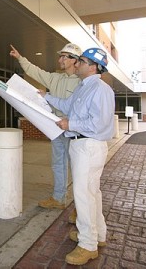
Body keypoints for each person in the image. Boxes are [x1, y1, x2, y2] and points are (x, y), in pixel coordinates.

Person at [40, 48, 115, 265]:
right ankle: (97, 235)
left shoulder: (101, 89)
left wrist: (70, 124)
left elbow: (99, 123)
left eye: (81, 61)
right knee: (92, 193)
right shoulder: (83, 87)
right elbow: (66, 105)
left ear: (93, 66)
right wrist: (46, 96)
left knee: (83, 195)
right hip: (81, 145)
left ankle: (87, 245)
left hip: (89, 146)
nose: (77, 64)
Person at [10, 43, 81, 211]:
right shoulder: (55, 78)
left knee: (78, 168)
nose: (60, 59)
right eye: (61, 56)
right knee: (58, 164)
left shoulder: (82, 81)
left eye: (64, 56)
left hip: (75, 130)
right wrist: (20, 58)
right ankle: (59, 198)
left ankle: (80, 209)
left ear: (74, 60)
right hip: (56, 128)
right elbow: (34, 71)